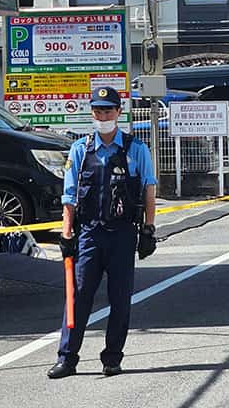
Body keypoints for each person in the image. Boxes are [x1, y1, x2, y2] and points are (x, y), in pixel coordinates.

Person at [47, 86, 158, 379]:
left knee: (120, 299)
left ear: (119, 113)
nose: (103, 116)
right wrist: (66, 234)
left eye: (108, 110)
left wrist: (149, 228)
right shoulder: (80, 150)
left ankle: (112, 358)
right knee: (78, 296)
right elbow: (69, 196)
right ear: (92, 114)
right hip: (89, 235)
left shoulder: (136, 149)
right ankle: (67, 358)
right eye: (98, 111)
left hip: (122, 234)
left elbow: (148, 188)